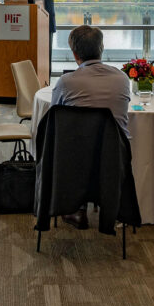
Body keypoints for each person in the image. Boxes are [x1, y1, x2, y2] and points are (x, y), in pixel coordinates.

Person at [48, 24, 131, 229]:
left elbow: (54, 116)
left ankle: (76, 208)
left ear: (74, 53)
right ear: (101, 48)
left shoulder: (67, 82)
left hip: (76, 157)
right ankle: (116, 205)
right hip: (116, 154)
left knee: (67, 142)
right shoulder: (122, 79)